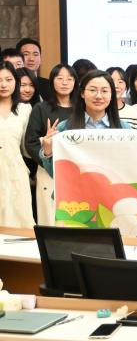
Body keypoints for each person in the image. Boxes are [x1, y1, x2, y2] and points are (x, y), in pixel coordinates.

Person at [40, 70, 131, 177]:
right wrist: (47, 151)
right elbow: (56, 175)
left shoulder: (124, 129)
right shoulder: (64, 128)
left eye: (105, 91)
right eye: (92, 90)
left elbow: (129, 169)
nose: (99, 96)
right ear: (82, 93)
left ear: (111, 95)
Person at [24, 63, 77, 225]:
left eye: (69, 79)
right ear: (52, 81)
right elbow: (31, 142)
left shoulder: (81, 109)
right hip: (47, 170)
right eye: (59, 78)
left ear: (75, 82)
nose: (64, 82)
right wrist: (48, 161)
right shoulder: (41, 108)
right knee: (49, 217)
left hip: (76, 171)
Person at [0, 61, 34, 227]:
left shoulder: (25, 109)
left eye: (8, 79)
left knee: (20, 221)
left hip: (15, 171)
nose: (3, 85)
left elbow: (26, 148)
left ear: (16, 82)